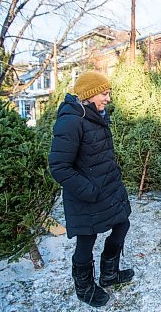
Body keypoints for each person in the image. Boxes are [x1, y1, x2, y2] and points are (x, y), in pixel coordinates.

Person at [49, 70, 133, 307]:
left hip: (108, 189)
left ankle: (109, 274)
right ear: (89, 94)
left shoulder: (95, 116)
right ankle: (84, 288)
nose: (108, 98)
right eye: (104, 94)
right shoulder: (71, 121)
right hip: (85, 195)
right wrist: (89, 190)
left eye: (108, 93)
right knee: (87, 240)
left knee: (122, 224)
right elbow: (59, 166)